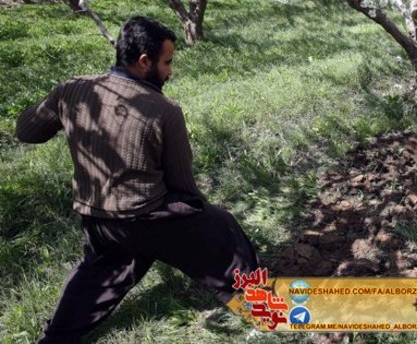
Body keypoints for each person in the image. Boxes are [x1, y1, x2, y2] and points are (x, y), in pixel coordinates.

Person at [16, 17, 259, 342]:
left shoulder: (71, 89)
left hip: (96, 219)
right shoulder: (163, 110)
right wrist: (199, 220)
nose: (170, 72)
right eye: (167, 63)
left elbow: (27, 132)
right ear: (145, 62)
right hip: (145, 218)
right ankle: (263, 306)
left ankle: (55, 339)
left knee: (99, 273)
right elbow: (183, 186)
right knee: (222, 227)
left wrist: (58, 104)